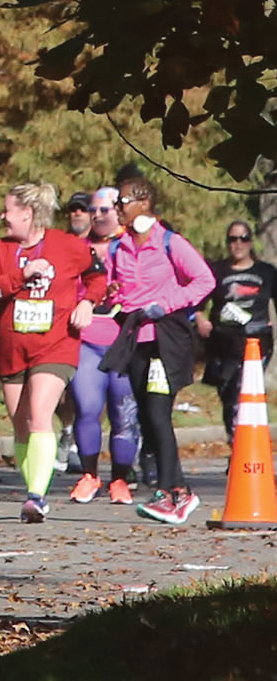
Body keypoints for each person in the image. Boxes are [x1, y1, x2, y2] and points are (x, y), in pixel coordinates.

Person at [0, 182, 105, 523]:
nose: (3, 216)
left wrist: (87, 303)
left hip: (56, 343)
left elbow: (98, 277)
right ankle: (33, 487)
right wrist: (21, 276)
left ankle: (37, 497)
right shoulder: (1, 249)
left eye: (8, 210)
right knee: (21, 425)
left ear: (28, 213)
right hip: (11, 347)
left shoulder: (67, 246)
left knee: (39, 414)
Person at [102, 177, 215, 524]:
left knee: (157, 413)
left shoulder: (169, 242)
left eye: (121, 202)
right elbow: (114, 291)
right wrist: (115, 300)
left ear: (144, 202)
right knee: (146, 415)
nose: (116, 209)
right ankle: (180, 491)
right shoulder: (117, 248)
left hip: (165, 337)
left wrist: (165, 304)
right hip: (135, 338)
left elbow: (204, 280)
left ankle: (168, 492)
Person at [68, 187, 142, 504]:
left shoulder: (133, 246)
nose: (98, 215)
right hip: (86, 341)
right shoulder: (75, 248)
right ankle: (89, 476)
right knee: (86, 408)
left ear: (119, 211)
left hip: (124, 341)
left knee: (123, 413)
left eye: (105, 209)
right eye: (93, 210)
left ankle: (121, 480)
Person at [197, 220, 277, 447]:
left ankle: (246, 447)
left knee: (244, 391)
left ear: (251, 242)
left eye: (243, 238)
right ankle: (236, 443)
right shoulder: (217, 271)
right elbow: (198, 304)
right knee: (228, 394)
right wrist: (200, 319)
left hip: (257, 342)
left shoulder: (266, 272)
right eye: (233, 239)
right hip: (224, 343)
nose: (238, 244)